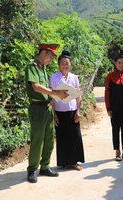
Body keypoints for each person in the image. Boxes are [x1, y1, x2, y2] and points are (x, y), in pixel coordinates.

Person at [25, 44, 69, 183]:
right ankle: (32, 169)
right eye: (50, 56)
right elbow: (36, 87)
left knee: (49, 138)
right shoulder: (32, 67)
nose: (51, 59)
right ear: (43, 52)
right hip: (37, 109)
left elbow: (46, 89)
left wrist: (55, 94)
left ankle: (45, 166)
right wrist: (55, 93)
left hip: (47, 107)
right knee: (38, 139)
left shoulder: (43, 69)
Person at [49, 50, 85, 171]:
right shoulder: (53, 78)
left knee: (75, 136)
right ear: (58, 65)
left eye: (67, 63)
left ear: (70, 64)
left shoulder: (74, 78)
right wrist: (54, 115)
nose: (65, 65)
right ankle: (64, 162)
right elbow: (52, 98)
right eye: (62, 63)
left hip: (72, 110)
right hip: (60, 111)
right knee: (62, 137)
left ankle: (74, 162)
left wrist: (78, 111)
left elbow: (78, 96)